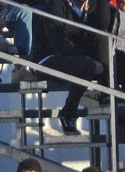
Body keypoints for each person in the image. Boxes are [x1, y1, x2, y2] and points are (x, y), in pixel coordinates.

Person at [35, 0, 111, 134]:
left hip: (79, 58)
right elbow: (57, 41)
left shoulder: (91, 6)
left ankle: (107, 92)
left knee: (102, 38)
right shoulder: (56, 4)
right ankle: (68, 112)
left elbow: (103, 25)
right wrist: (83, 56)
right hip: (49, 57)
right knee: (89, 67)